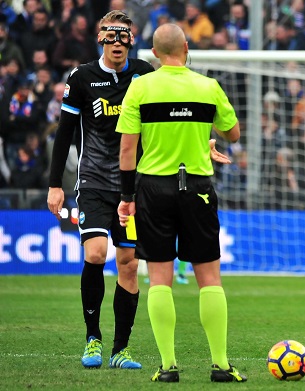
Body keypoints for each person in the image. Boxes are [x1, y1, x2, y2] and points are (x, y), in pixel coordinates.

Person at [115, 23, 246, 383]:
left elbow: (127, 149)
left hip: (153, 188)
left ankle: (168, 366)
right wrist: (202, 137)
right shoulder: (208, 87)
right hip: (199, 187)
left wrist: (127, 198)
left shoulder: (140, 86)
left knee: (159, 278)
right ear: (187, 47)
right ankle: (220, 365)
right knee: (209, 278)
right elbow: (232, 133)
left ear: (154, 54)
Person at [46, 10, 155, 370]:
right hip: (93, 183)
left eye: (124, 35)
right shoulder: (81, 76)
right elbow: (64, 132)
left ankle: (120, 350)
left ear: (132, 40)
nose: (117, 42)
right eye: (111, 35)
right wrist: (54, 185)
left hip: (134, 189)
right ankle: (93, 338)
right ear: (100, 39)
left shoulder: (144, 74)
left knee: (128, 264)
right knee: (95, 254)